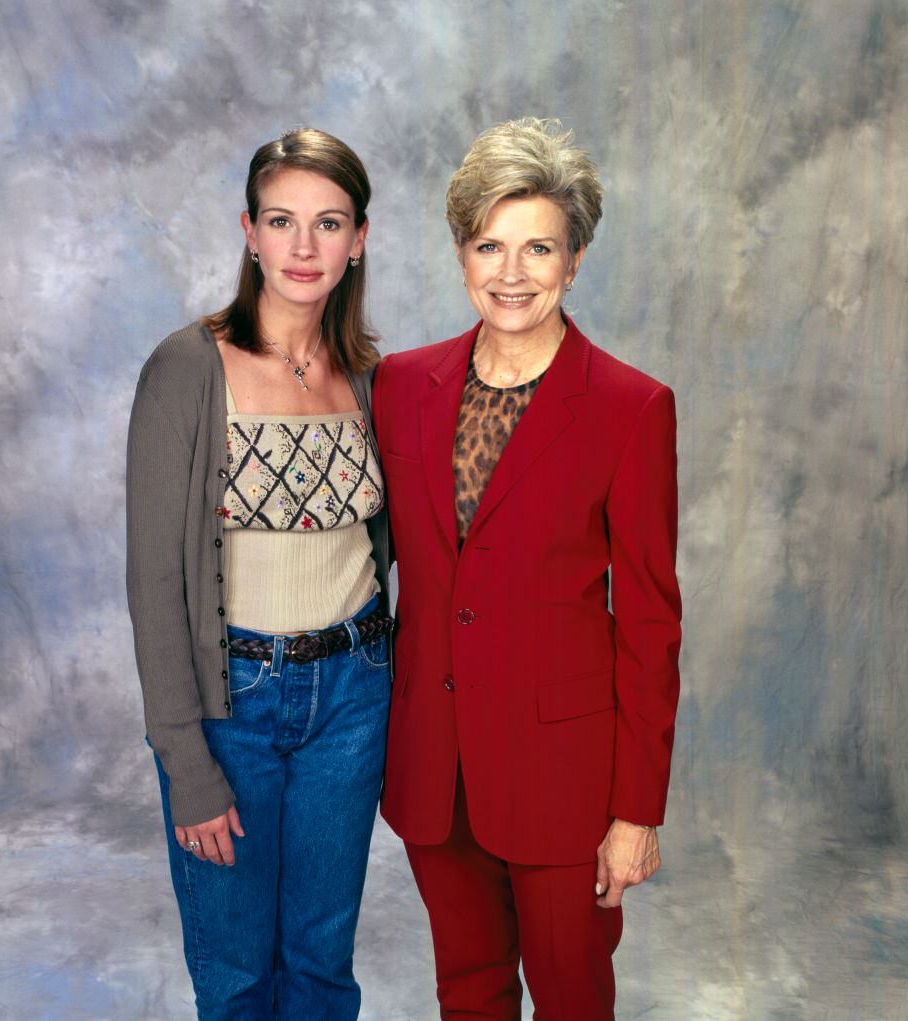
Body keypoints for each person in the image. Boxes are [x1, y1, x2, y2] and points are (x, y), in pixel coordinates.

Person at [372, 117, 682, 1019]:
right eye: (489, 245)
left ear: (575, 258)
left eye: (538, 247)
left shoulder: (631, 407)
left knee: (572, 996)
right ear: (462, 253)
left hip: (566, 779)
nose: (512, 273)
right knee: (467, 991)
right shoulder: (401, 386)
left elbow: (654, 623)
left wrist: (636, 811)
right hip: (435, 765)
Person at [126, 128, 391, 1021]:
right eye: (283, 221)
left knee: (321, 963)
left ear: (359, 239)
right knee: (237, 973)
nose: (305, 247)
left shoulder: (368, 377)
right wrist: (185, 760)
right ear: (249, 231)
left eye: (329, 223)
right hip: (229, 700)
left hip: (353, 694)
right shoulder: (187, 368)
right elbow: (156, 581)